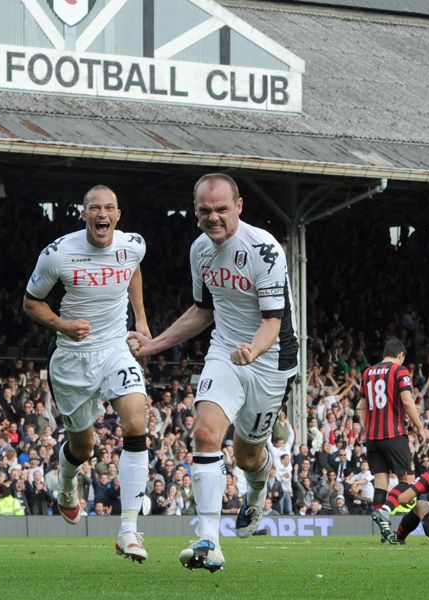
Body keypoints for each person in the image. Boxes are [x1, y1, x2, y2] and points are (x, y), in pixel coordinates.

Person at [128, 173, 298, 573]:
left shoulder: (265, 250)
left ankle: (256, 489)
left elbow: (274, 322)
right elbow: (203, 310)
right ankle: (209, 540)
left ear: (239, 206)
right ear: (196, 211)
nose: (213, 217)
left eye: (222, 209)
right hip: (225, 350)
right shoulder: (199, 250)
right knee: (204, 432)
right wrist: (155, 344)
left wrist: (253, 350)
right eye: (205, 211)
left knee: (247, 454)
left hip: (269, 359)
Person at [23, 184, 151, 562]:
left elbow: (133, 271)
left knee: (136, 423)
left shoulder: (133, 245)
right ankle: (66, 484)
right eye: (94, 208)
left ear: (117, 214)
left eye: (109, 207)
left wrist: (141, 320)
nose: (102, 214)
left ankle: (128, 528)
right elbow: (31, 303)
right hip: (73, 359)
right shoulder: (58, 254)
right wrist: (63, 325)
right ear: (84, 215)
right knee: (84, 448)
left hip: (114, 349)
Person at [361, 338, 427, 544]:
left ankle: (385, 533)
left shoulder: (367, 373)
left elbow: (362, 405)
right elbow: (407, 401)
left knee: (381, 483)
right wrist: (420, 426)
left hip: (372, 437)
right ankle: (387, 512)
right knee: (406, 482)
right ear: (400, 356)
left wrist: (367, 429)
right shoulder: (400, 371)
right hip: (394, 434)